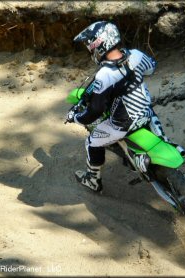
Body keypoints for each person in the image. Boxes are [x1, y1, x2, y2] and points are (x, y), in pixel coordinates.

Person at [66, 21, 166, 192]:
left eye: (90, 45)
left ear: (100, 44)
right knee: (148, 110)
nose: (90, 49)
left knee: (92, 142)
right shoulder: (135, 54)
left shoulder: (105, 74)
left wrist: (76, 117)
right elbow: (151, 68)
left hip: (123, 123)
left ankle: (93, 180)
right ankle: (164, 141)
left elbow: (95, 110)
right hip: (145, 112)